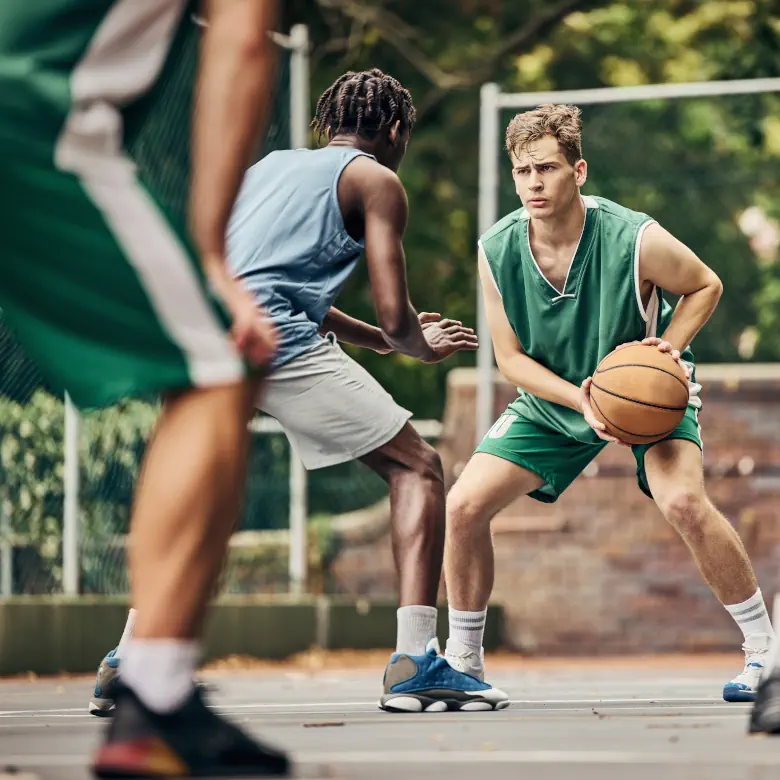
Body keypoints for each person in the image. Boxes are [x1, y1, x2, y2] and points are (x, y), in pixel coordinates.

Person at [90, 68, 509, 717]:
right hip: (274, 338)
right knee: (418, 467)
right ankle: (416, 660)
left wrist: (375, 339)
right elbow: (398, 318)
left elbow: (266, 276)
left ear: (329, 123)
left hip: (207, 328)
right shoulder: (377, 181)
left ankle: (131, 657)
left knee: (197, 494)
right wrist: (416, 342)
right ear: (394, 130)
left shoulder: (271, 167)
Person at [0, 0, 291, 775]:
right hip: (32, 119)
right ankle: (154, 699)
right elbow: (240, 41)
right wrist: (211, 256)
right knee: (219, 367)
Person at [441, 104, 774, 703]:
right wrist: (582, 398)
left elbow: (706, 284)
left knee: (685, 504)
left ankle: (765, 654)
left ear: (580, 170)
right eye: (522, 172)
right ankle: (463, 662)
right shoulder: (497, 249)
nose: (534, 183)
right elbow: (511, 360)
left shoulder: (633, 236)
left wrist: (662, 356)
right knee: (463, 505)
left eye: (546, 168)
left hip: (643, 393)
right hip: (555, 396)